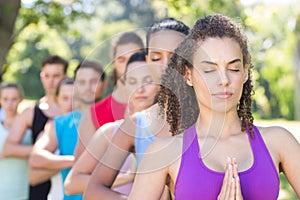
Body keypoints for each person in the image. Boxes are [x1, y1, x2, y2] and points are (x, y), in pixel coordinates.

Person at [126, 14, 300, 200]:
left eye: (233, 69)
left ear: (245, 73)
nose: (224, 80)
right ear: (188, 75)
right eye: (209, 70)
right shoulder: (164, 153)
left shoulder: (279, 142)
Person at [83, 17, 190, 200]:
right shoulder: (135, 125)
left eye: (175, 56)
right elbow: (93, 191)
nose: (165, 66)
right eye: (157, 57)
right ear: (148, 60)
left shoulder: (211, 119)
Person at [64, 51, 158, 196]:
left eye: (148, 80)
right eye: (132, 81)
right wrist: (127, 178)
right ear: (124, 85)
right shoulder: (110, 132)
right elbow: (71, 184)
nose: (140, 89)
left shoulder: (176, 132)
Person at [29, 60, 105, 200]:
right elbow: (36, 158)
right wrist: (79, 161)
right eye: (81, 82)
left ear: (104, 84)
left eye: (94, 81)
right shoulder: (60, 123)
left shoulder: (117, 119)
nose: (88, 87)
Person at [3, 55, 68, 200]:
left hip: (69, 186)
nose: (51, 81)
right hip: (40, 186)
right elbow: (9, 148)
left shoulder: (74, 110)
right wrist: (44, 153)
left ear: (66, 76)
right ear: (41, 77)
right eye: (47, 76)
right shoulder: (31, 112)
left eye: (56, 76)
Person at [74, 32, 144, 158]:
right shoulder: (94, 114)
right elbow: (81, 173)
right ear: (113, 63)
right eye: (121, 60)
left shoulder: (162, 105)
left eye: (134, 57)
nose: (128, 65)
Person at [0, 82, 31, 199]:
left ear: (21, 99)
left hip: (23, 190)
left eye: (14, 99)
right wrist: (20, 152)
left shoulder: (29, 128)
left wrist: (10, 152)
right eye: (5, 99)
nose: (10, 104)